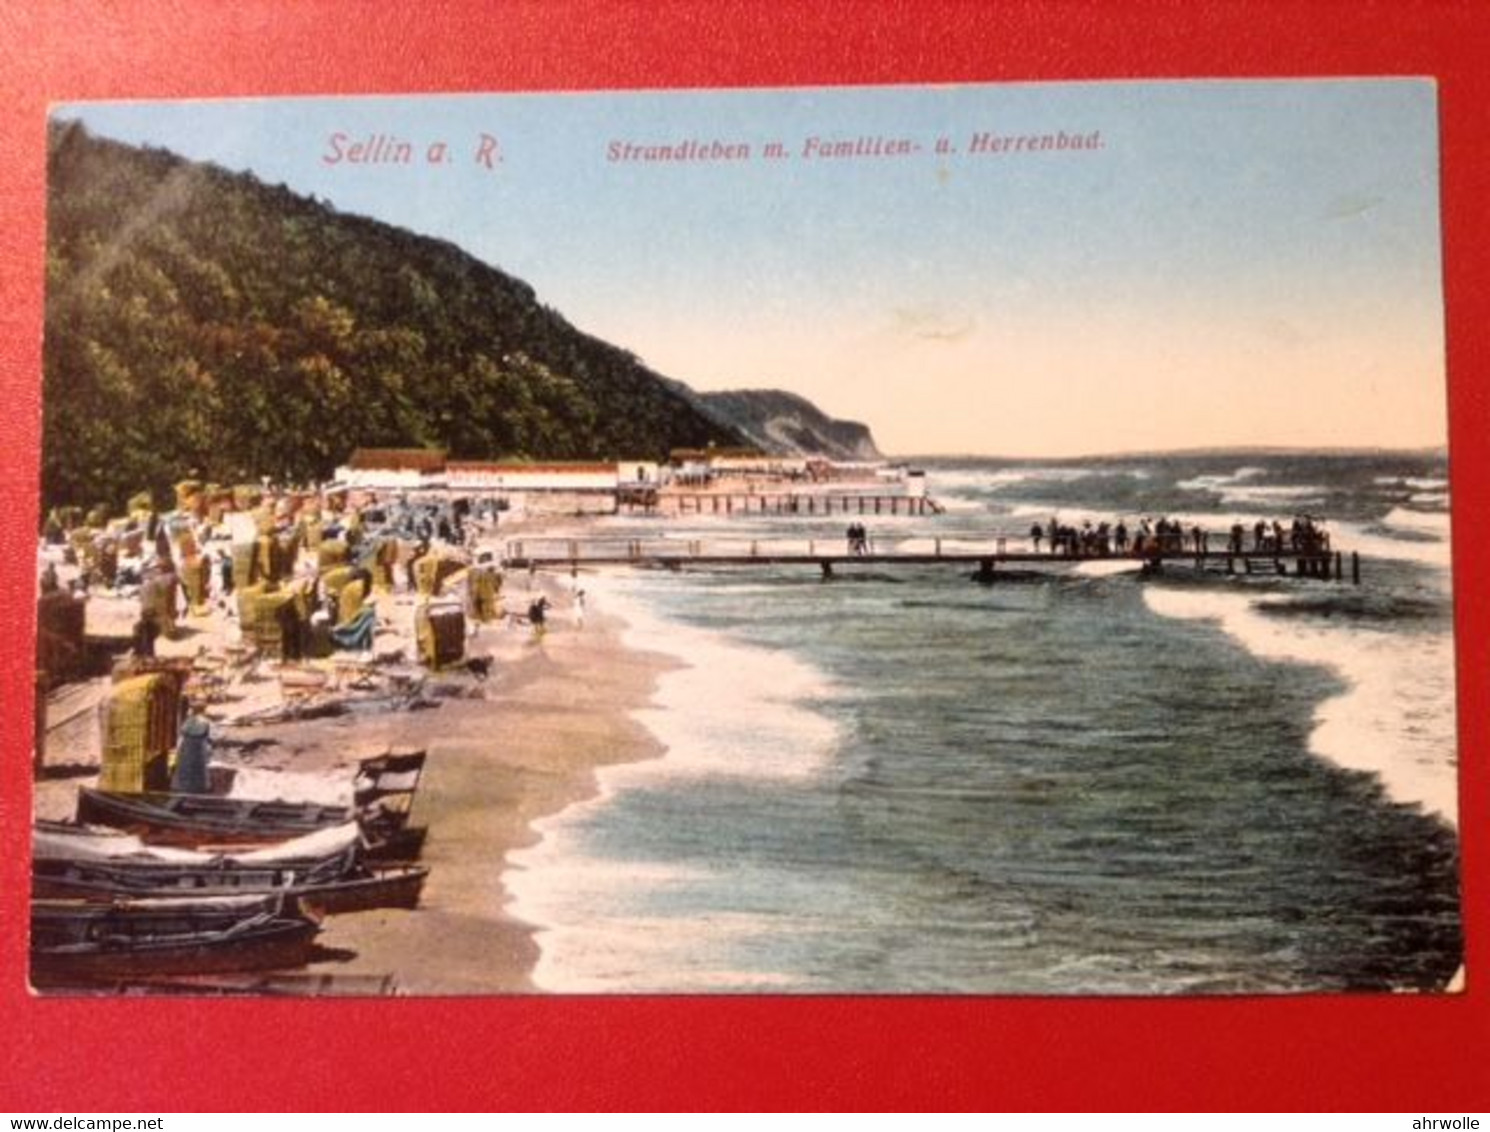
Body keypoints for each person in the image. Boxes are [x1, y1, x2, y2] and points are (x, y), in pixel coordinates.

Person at [172, 704, 213, 794]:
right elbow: (208, 734)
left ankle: (184, 786)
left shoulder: (189, 720)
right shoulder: (205, 721)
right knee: (199, 765)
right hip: (199, 744)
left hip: (188, 744)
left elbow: (183, 731)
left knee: (186, 764)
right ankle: (200, 786)